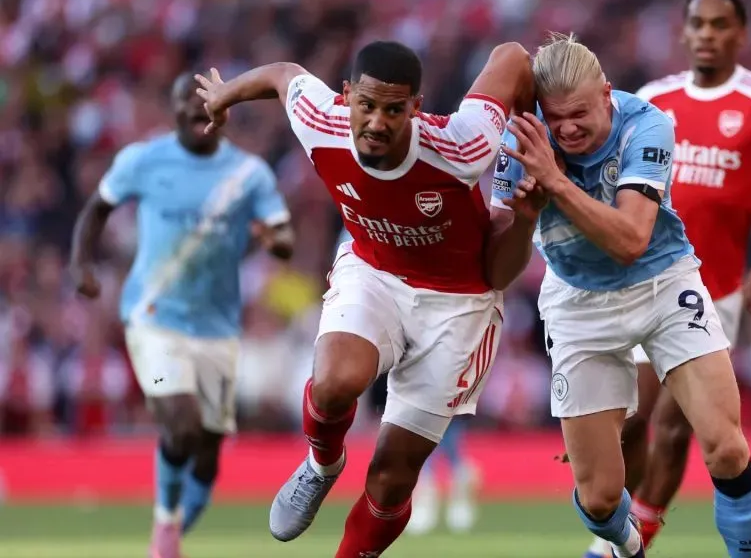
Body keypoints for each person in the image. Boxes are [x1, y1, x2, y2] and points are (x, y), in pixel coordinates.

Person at [193, 40, 537, 557]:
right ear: (347, 95)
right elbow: (284, 74)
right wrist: (225, 96)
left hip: (458, 304)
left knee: (392, 476)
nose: (376, 122)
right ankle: (321, 464)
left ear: (416, 107)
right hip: (374, 272)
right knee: (334, 382)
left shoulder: (462, 146)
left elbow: (511, 57)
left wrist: (530, 136)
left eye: (394, 110)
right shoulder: (321, 121)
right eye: (367, 105)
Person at [573, 0, 751, 556]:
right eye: (699, 24)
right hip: (641, 282)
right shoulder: (652, 100)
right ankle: (619, 528)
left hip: (716, 294)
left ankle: (627, 542)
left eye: (720, 25)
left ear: (741, 35)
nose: (708, 34)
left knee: (675, 427)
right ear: (684, 32)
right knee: (630, 422)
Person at [492, 32, 751, 558]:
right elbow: (499, 269)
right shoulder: (521, 140)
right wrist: (523, 219)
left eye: (579, 113)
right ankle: (627, 548)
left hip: (663, 284)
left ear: (606, 95)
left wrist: (556, 183)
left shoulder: (647, 125)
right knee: (599, 499)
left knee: (727, 449)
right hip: (577, 302)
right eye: (556, 117)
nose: (566, 129)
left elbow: (631, 241)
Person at [69, 73, 295, 558]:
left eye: (205, 105)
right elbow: (97, 208)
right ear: (172, 111)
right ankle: (165, 527)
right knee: (182, 422)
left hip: (217, 328)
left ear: (223, 109)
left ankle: (171, 534)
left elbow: (284, 235)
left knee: (208, 451)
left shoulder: (249, 174)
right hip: (153, 318)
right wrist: (81, 263)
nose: (196, 112)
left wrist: (273, 240)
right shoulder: (143, 160)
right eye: (185, 104)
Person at [405, 416, 480, 535]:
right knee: (425, 446)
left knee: (453, 447)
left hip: (453, 412)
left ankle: (460, 500)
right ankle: (425, 502)